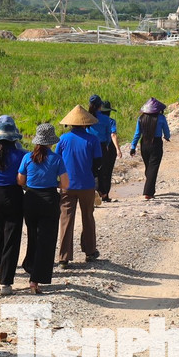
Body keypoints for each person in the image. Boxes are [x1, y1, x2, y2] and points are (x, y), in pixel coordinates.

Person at [17, 122, 68, 294]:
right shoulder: (56, 159)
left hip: (30, 199)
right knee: (46, 240)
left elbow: (20, 181)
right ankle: (36, 279)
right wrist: (53, 182)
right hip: (49, 200)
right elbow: (65, 184)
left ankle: (30, 266)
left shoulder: (27, 158)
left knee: (33, 236)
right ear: (51, 141)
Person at [0, 116, 27, 296]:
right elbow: (24, 178)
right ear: (14, 137)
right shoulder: (22, 155)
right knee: (11, 237)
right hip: (15, 194)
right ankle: (6, 283)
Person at [56, 105, 102, 266]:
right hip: (87, 184)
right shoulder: (93, 140)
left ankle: (64, 257)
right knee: (88, 217)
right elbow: (98, 163)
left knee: (66, 219)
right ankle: (90, 251)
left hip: (66, 185)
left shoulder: (62, 139)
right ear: (85, 124)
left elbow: (57, 160)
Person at [128, 97, 170, 200]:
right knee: (153, 168)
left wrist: (133, 146)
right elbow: (166, 131)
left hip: (144, 144)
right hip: (156, 144)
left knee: (148, 167)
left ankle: (150, 188)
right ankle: (148, 192)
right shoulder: (161, 118)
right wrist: (167, 137)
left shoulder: (141, 118)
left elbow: (137, 134)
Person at [94, 100, 121, 202]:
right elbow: (112, 135)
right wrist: (118, 149)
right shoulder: (110, 121)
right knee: (107, 171)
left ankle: (96, 192)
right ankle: (105, 194)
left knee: (96, 170)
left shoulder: (93, 120)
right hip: (107, 147)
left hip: (94, 147)